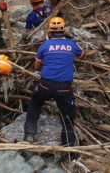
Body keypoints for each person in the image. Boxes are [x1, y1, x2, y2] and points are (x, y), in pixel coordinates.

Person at [23, 17, 84, 151]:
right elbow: (81, 54)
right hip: (64, 89)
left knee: (35, 102)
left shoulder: (44, 46)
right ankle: (68, 149)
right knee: (67, 118)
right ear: (64, 31)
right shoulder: (71, 44)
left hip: (45, 85)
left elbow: (36, 66)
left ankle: (29, 134)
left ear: (49, 31)